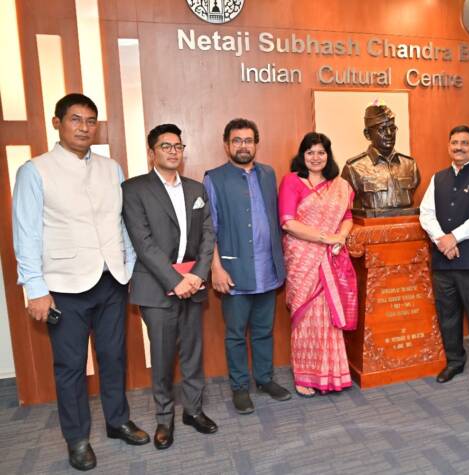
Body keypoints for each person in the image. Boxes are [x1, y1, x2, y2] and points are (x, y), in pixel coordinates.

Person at [12, 93, 149, 471]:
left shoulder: (111, 168)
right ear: (57, 123)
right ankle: (77, 439)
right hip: (63, 286)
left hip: (111, 280)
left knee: (114, 357)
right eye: (76, 120)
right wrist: (35, 289)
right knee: (71, 366)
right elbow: (26, 234)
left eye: (90, 121)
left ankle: (118, 421)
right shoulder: (35, 171)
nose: (84, 128)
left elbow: (121, 223)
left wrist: (128, 267)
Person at [122, 124, 217, 450]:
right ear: (152, 152)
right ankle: (164, 418)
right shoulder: (134, 189)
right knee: (162, 356)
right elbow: (143, 242)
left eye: (178, 146)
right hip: (156, 285)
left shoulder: (196, 189)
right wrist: (176, 281)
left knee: (193, 352)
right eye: (166, 146)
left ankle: (193, 410)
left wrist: (198, 275)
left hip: (194, 282)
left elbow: (208, 235)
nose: (173, 151)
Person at [204, 118, 290, 414]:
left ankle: (264, 379)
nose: (243, 146)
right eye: (237, 140)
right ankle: (240, 387)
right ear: (226, 145)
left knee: (264, 330)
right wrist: (216, 268)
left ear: (256, 144)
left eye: (249, 140)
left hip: (267, 268)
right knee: (236, 334)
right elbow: (209, 228)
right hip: (234, 271)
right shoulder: (214, 178)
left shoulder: (268, 173)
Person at [419, 125, 469, 386]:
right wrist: (442, 240)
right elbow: (426, 213)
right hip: (443, 261)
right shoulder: (438, 178)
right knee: (448, 316)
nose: (459, 147)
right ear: (448, 147)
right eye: (454, 143)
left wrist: (453, 237)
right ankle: (454, 362)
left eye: (465, 143)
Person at [279, 132, 357, 397]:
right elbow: (288, 222)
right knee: (305, 317)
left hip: (330, 257)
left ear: (328, 155)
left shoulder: (339, 185)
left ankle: (332, 374)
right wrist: (326, 237)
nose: (315, 157)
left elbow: (347, 216)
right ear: (302, 155)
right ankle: (305, 376)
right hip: (302, 259)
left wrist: (341, 236)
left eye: (321, 152)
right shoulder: (292, 181)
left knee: (329, 316)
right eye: (310, 152)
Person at [341, 104, 420, 213]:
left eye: (392, 128)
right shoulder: (353, 168)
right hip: (371, 224)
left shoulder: (410, 165)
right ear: (367, 134)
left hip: (406, 222)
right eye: (382, 129)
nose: (389, 134)